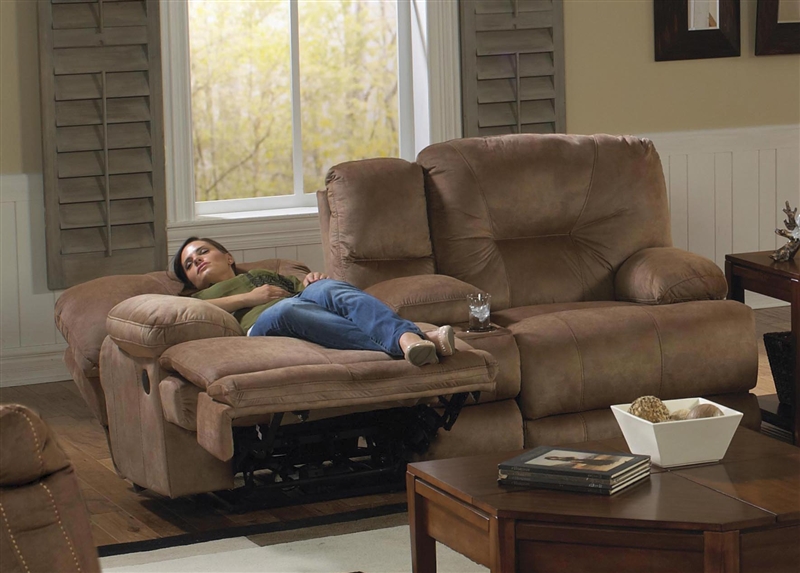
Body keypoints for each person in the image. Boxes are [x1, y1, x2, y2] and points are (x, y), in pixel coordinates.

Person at [172, 237, 455, 366]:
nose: (196, 260)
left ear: (228, 257)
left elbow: (305, 292)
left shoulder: (263, 274)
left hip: (300, 304)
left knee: (329, 288)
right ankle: (417, 336)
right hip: (261, 327)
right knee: (288, 308)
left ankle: (408, 340)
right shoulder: (198, 298)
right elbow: (194, 315)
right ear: (192, 281)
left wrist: (314, 280)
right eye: (189, 264)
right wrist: (249, 298)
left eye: (202, 251)